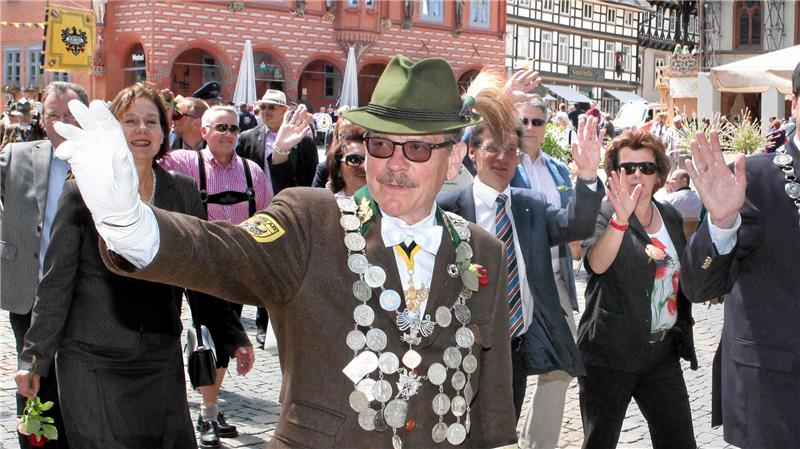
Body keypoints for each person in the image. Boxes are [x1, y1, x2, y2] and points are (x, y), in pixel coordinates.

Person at [52, 54, 517, 449]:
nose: (394, 164)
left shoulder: (483, 251)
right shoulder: (311, 221)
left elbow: (491, 410)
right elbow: (221, 249)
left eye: (416, 149)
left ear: (454, 158)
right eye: (381, 144)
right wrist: (129, 221)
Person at [13, 83, 254, 448]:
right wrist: (34, 358)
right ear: (112, 130)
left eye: (151, 121)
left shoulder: (183, 192)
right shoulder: (81, 193)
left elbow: (200, 271)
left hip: (159, 357)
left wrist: (231, 333)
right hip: (90, 361)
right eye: (130, 120)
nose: (142, 129)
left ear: (164, 132)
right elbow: (55, 284)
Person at [438, 116, 604, 449]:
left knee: (500, 435)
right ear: (472, 152)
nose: (503, 158)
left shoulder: (531, 206)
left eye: (512, 150)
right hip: (456, 350)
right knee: (450, 433)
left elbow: (577, 224)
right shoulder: (447, 211)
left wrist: (587, 176)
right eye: (493, 148)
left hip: (512, 350)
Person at [679, 61, 800, 449]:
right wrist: (722, 221)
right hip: (776, 396)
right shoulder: (756, 179)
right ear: (794, 104)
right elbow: (700, 287)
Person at [578, 129, 698, 449]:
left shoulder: (670, 215)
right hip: (609, 353)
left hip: (661, 353)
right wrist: (620, 220)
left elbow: (682, 270)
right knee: (599, 442)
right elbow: (597, 263)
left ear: (658, 175)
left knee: (680, 442)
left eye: (645, 168)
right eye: (627, 168)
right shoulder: (603, 212)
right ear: (614, 174)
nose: (636, 175)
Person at [160, 105, 269, 447]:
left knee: (221, 341)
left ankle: (210, 406)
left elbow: (268, 219)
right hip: (197, 266)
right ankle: (208, 412)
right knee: (208, 334)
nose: (229, 134)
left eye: (234, 129)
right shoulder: (185, 163)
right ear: (203, 132)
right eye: (221, 127)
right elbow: (149, 159)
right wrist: (167, 120)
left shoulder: (252, 172)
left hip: (236, 268)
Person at [1, 81, 86, 449]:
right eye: (53, 115)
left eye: (70, 115)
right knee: (33, 380)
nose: (61, 122)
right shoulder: (17, 155)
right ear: (41, 117)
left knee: (82, 383)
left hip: (88, 298)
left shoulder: (103, 160)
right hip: (31, 294)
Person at [509, 97, 586, 446]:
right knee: (510, 370)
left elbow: (571, 217)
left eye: (537, 122)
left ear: (546, 127)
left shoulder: (556, 169)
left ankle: (537, 443)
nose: (529, 127)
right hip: (515, 282)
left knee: (560, 366)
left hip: (555, 280)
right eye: (523, 121)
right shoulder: (505, 165)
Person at [236, 89, 318, 347]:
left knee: (282, 267)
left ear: (285, 110)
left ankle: (280, 323)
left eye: (272, 107)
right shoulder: (248, 138)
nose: (266, 112)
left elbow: (309, 177)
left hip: (289, 215)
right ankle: (261, 324)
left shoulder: (303, 142)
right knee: (260, 267)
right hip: (258, 212)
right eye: (262, 107)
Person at [324, 120, 366, 197]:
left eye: (368, 160)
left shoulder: (386, 206)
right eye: (354, 160)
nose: (364, 166)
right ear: (338, 169)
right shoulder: (327, 206)